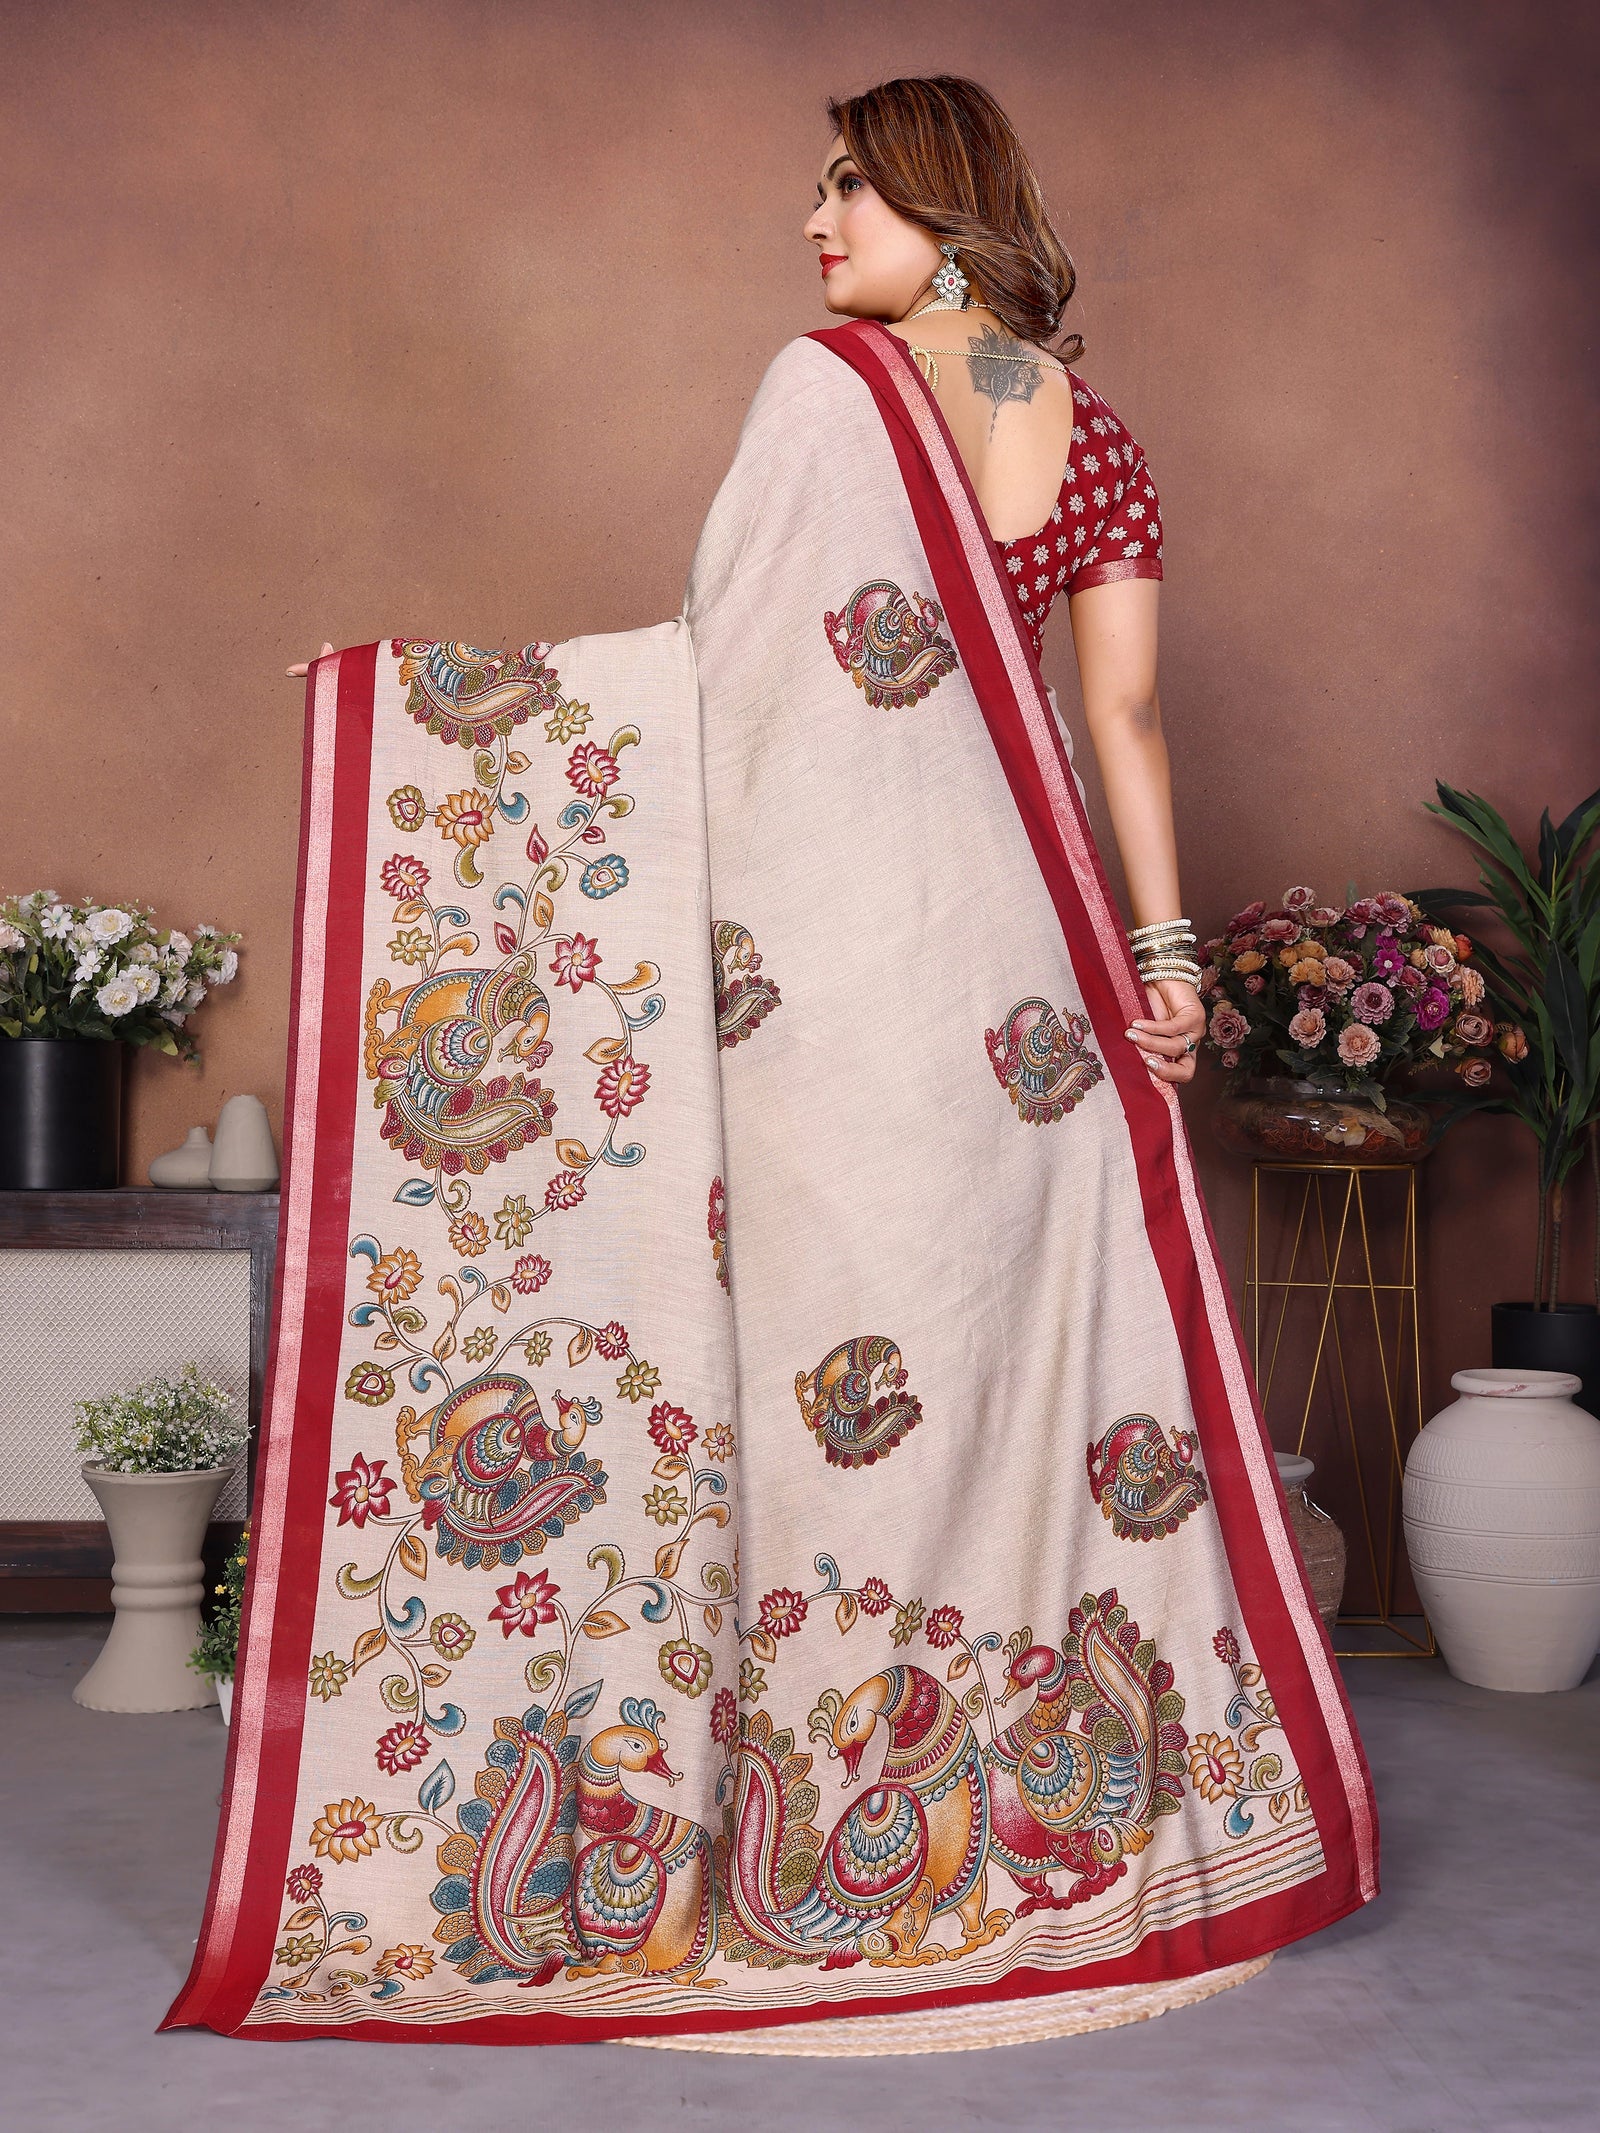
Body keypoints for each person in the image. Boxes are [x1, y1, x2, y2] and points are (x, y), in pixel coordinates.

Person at [170, 74, 1376, 2052]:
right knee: (992, 1374)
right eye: (811, 191)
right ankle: (1002, 1812)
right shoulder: (1097, 438)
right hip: (1029, 995)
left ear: (938, 201)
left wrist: (440, 722)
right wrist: (1159, 961)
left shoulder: (827, 391)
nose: (815, 225)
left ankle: (821, 1817)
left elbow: (710, 679)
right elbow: (1127, 721)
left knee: (831, 1377)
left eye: (848, 187)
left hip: (823, 981)